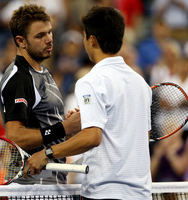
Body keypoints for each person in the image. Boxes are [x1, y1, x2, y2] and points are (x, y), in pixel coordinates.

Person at [23, 6, 152, 200]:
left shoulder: (90, 81)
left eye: (84, 36)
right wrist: (87, 125)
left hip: (106, 194)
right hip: (141, 194)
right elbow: (138, 136)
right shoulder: (140, 83)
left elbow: (93, 138)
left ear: (92, 40)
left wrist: (46, 154)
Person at [0, 4, 81, 185]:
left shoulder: (43, 71)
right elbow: (15, 136)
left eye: (49, 32)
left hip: (52, 184)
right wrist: (63, 128)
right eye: (40, 36)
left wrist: (67, 130)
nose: (49, 39)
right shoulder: (18, 78)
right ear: (21, 41)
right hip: (29, 188)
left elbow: (45, 133)